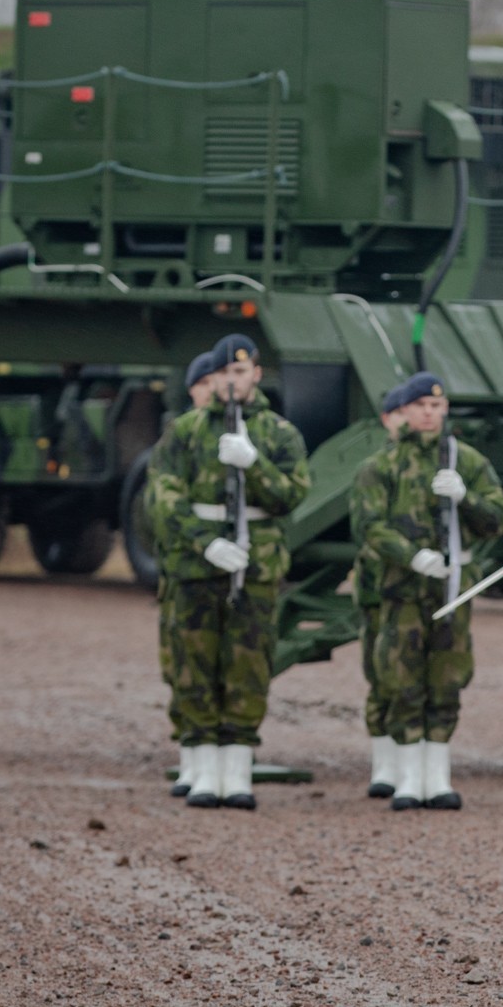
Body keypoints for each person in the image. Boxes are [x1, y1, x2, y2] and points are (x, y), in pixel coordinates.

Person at [145, 333, 312, 811]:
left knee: (248, 665)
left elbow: (292, 495)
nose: (231, 382)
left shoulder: (279, 434)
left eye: (240, 372)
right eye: (222, 374)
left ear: (256, 374)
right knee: (194, 664)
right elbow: (163, 499)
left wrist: (254, 464)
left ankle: (236, 770)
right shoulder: (185, 431)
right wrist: (206, 543)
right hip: (195, 565)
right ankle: (202, 768)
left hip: (254, 564)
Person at [350, 371, 503, 811]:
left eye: (436, 406)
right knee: (402, 678)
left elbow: (498, 519)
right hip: (401, 589)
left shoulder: (467, 462)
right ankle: (407, 776)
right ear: (405, 411)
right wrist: (412, 556)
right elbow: (369, 525)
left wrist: (466, 498)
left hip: (451, 589)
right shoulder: (382, 466)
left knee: (447, 677)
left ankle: (436, 776)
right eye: (420, 406)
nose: (428, 414)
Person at [156, 350, 222, 799]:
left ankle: (215, 763)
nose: (212, 391)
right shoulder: (180, 437)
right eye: (205, 384)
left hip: (225, 568)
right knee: (181, 665)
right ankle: (190, 756)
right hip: (184, 566)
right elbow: (163, 502)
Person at [354, 387, 411, 799]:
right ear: (387, 420)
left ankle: (413, 763)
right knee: (381, 674)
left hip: (422, 589)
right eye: (402, 413)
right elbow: (369, 527)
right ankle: (385, 763)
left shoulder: (444, 467)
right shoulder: (376, 469)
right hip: (380, 586)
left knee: (421, 678)